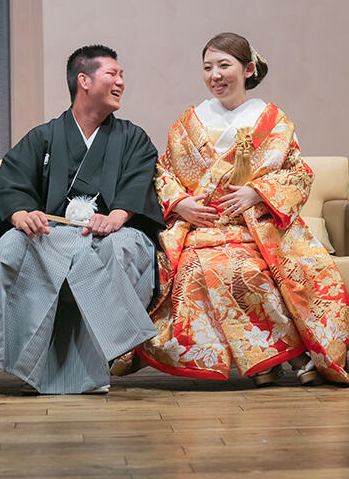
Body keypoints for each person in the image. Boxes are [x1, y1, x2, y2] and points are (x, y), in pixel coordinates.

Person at [131, 32, 349, 386]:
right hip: (202, 226)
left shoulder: (273, 120)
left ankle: (274, 360)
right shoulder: (189, 122)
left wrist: (257, 194)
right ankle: (281, 359)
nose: (215, 75)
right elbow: (164, 171)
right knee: (202, 268)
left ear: (248, 69)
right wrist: (181, 203)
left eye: (224, 65)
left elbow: (297, 173)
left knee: (250, 268)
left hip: (259, 226)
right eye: (207, 67)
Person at [0, 45, 165, 394]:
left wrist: (115, 217)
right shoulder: (43, 137)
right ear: (84, 81)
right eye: (112, 74)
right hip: (51, 234)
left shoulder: (133, 138)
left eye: (122, 75)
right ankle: (27, 364)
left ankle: (96, 364)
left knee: (121, 248)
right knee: (12, 245)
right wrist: (22, 215)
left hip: (111, 233)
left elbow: (138, 186)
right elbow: (11, 184)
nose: (121, 82)